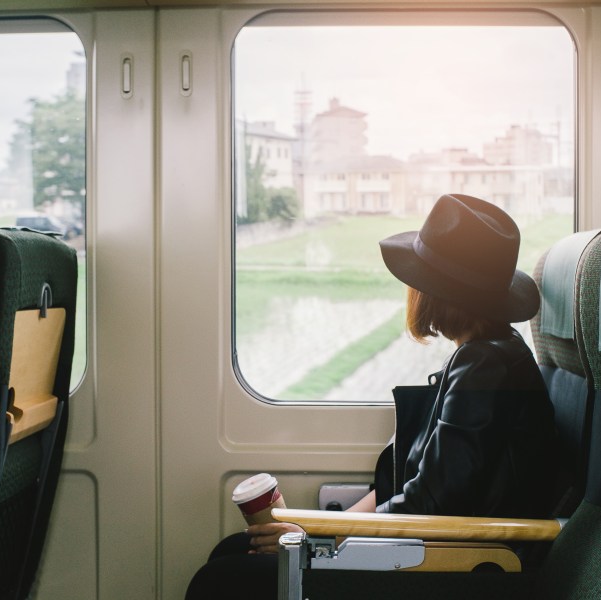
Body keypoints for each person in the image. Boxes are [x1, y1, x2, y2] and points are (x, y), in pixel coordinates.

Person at [186, 193, 556, 599]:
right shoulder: (491, 352)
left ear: (435, 291)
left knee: (220, 581)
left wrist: (320, 541)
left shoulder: (485, 366)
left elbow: (429, 507)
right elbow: (425, 485)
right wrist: (317, 527)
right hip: (431, 544)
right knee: (234, 551)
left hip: (451, 562)